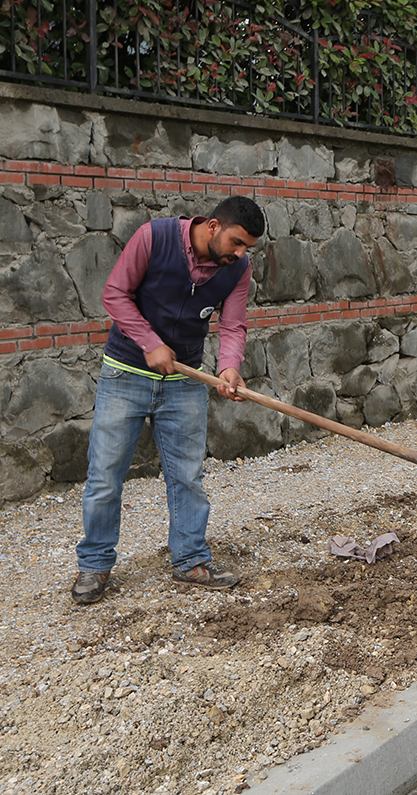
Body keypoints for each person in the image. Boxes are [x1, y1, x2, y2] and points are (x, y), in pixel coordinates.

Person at [71, 196, 265, 604]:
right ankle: (95, 565)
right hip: (125, 373)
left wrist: (229, 367)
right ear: (212, 226)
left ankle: (191, 558)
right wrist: (150, 343)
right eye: (237, 242)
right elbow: (115, 294)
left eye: (247, 247)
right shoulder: (154, 238)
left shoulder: (237, 270)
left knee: (187, 477)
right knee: (105, 476)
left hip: (185, 382)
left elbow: (233, 324)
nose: (241, 253)